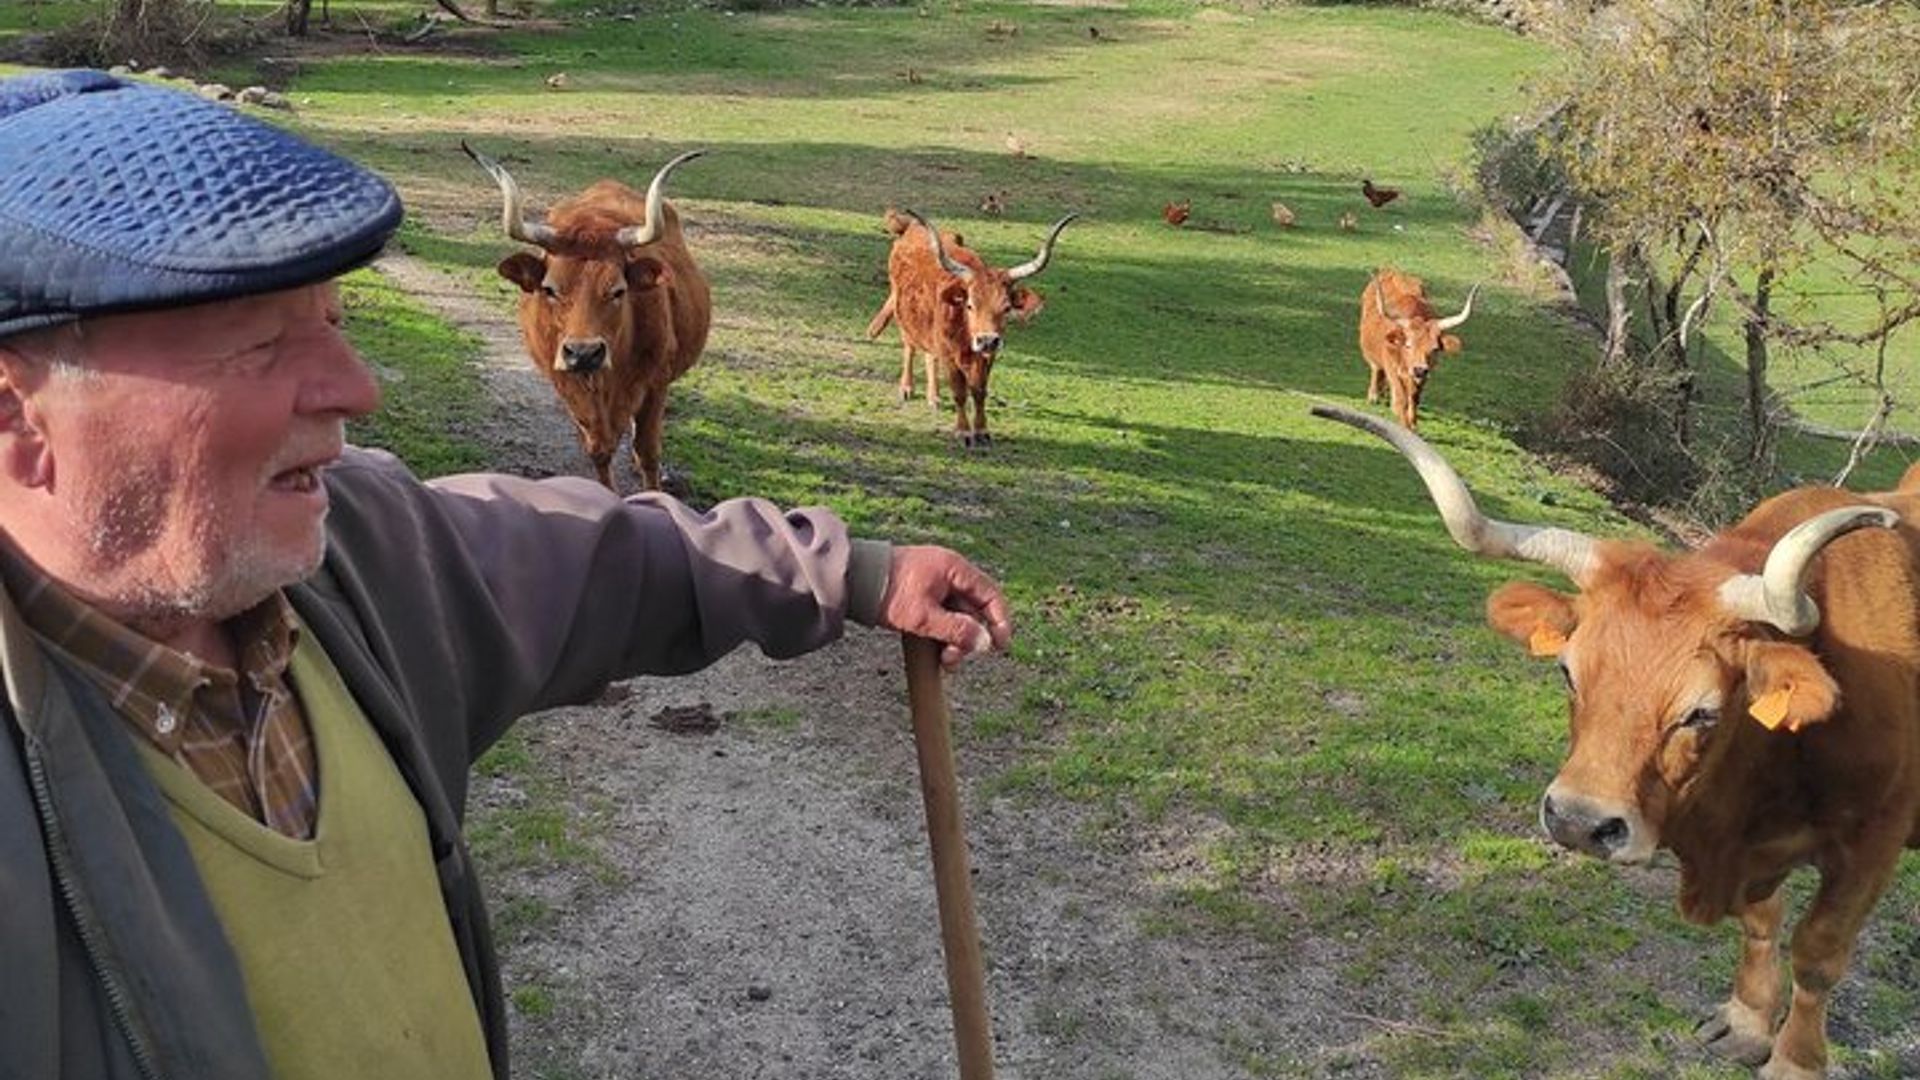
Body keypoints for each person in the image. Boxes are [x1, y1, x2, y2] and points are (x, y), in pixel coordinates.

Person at [0, 69, 1013, 1080]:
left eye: (337, 326)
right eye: (262, 347)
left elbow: (602, 554)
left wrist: (851, 571)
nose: (357, 390)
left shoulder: (356, 557)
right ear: (18, 418)